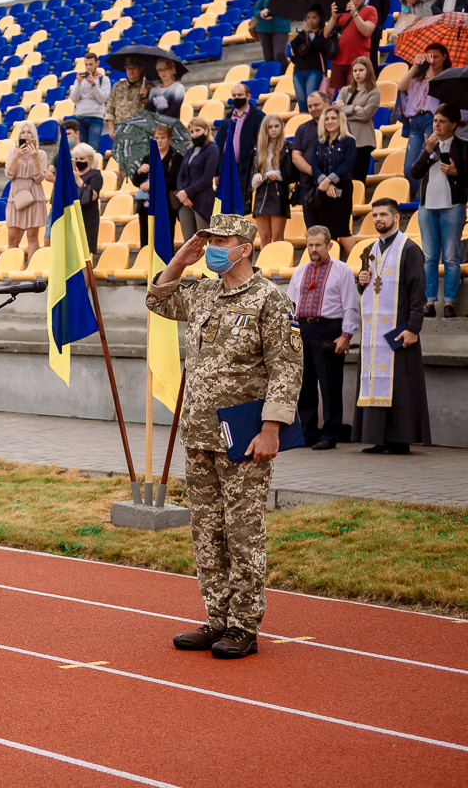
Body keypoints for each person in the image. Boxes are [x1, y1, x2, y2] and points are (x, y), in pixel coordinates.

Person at [146, 213, 303, 659]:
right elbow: (157, 300)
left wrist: (272, 428)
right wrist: (180, 259)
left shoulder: (270, 300)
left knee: (242, 531)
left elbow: (287, 368)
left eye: (221, 240)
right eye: (208, 239)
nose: (212, 246)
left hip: (245, 437)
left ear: (245, 248)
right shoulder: (203, 292)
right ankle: (216, 618)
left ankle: (244, 626)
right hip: (199, 433)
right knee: (206, 531)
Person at [352, 198, 431, 452]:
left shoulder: (409, 249)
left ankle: (399, 441)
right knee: (376, 381)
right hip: (374, 333)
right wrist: (361, 281)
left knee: (400, 386)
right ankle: (379, 438)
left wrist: (414, 328)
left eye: (383, 215)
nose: (378, 219)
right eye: (374, 215)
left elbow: (419, 291)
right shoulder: (371, 250)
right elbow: (367, 290)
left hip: (399, 329)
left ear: (397, 217)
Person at [287, 225, 361, 449]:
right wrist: (290, 334)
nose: (313, 249)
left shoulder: (342, 270)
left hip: (329, 328)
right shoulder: (299, 272)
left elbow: (350, 304)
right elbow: (289, 306)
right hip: (303, 330)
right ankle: (308, 433)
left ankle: (330, 433)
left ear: (329, 245)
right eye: (310, 245)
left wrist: (346, 334)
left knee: (330, 384)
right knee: (305, 384)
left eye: (318, 244)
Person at [410, 103, 468, 317]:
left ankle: (450, 303)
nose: (436, 124)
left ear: (454, 124)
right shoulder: (428, 145)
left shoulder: (463, 146)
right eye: (435, 120)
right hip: (427, 206)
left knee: (451, 256)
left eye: (442, 121)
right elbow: (414, 173)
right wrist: (425, 152)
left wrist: (456, 172)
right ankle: (430, 302)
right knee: (430, 256)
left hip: (453, 207)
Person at [398, 43, 449, 199]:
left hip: (431, 121)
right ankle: (421, 198)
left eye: (436, 56)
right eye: (429, 56)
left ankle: (425, 199)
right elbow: (401, 86)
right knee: (408, 169)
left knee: (427, 162)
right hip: (415, 122)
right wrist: (415, 66)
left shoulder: (446, 76)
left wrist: (430, 69)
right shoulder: (417, 76)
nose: (432, 60)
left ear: (444, 57)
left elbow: (436, 84)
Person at [314, 106, 358, 256]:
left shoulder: (349, 141)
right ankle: (330, 269)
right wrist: (325, 183)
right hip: (324, 192)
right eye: (326, 119)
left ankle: (359, 266)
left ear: (340, 120)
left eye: (333, 118)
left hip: (342, 189)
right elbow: (314, 166)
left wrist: (329, 181)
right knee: (327, 232)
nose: (330, 121)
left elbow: (348, 164)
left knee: (343, 230)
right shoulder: (319, 142)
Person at [215, 84, 266, 211]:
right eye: (234, 96)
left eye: (240, 95)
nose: (236, 98)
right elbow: (220, 144)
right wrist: (217, 172)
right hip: (227, 170)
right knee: (228, 207)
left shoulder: (258, 116)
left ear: (248, 96)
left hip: (246, 169)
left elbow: (262, 143)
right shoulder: (227, 118)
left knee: (243, 207)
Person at [334, 56, 381, 183]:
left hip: (362, 141)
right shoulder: (345, 90)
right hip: (343, 139)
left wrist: (344, 109)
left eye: (361, 70)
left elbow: (365, 115)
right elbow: (334, 112)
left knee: (357, 179)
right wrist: (354, 108)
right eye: (355, 71)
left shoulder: (374, 92)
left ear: (368, 71)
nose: (357, 73)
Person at [5, 122, 49, 255]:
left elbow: (39, 178)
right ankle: (11, 269)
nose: (25, 134)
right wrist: (17, 156)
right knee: (12, 237)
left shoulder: (41, 154)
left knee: (32, 237)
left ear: (34, 135)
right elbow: (9, 174)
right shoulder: (12, 151)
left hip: (34, 195)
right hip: (16, 195)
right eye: (23, 132)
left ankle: (32, 269)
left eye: (29, 132)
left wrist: (35, 158)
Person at [136, 125, 182, 249]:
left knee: (164, 241)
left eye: (163, 137)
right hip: (146, 205)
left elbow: (173, 181)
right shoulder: (148, 157)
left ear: (169, 139)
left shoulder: (176, 157)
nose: (159, 140)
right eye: (156, 138)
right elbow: (137, 183)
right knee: (146, 241)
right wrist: (139, 171)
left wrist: (152, 185)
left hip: (165, 204)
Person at [250, 114, 293, 245]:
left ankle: (278, 262)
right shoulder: (258, 148)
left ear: (282, 127)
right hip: (261, 193)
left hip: (279, 193)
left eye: (276, 126)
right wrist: (257, 176)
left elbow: (290, 174)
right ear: (265, 129)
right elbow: (251, 177)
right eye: (270, 127)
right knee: (264, 237)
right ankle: (264, 264)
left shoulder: (288, 147)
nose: (273, 129)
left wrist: (275, 174)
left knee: (277, 237)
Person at [325, 0, 378, 93]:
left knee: (358, 92)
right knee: (342, 93)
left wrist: (354, 14)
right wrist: (333, 17)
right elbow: (326, 34)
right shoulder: (341, 10)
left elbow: (367, 31)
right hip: (338, 59)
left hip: (358, 60)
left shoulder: (370, 10)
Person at [177, 118, 221, 241]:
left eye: (198, 130)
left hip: (203, 200)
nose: (195, 134)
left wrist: (187, 192)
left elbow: (207, 177)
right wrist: (181, 193)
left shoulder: (212, 148)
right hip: (185, 201)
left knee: (202, 240)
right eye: (192, 131)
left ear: (206, 130)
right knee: (188, 241)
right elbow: (181, 174)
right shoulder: (190, 150)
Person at [291, 91, 331, 229]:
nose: (313, 109)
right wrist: (315, 173)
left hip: (331, 186)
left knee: (332, 232)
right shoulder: (302, 129)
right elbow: (295, 156)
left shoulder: (337, 127)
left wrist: (326, 178)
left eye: (316, 105)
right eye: (310, 106)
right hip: (308, 188)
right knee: (313, 231)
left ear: (327, 103)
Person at [69, 53, 111, 150]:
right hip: (81, 116)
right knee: (82, 149)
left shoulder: (104, 79)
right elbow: (74, 99)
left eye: (91, 64)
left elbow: (103, 99)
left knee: (93, 147)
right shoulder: (80, 80)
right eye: (86, 64)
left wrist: (93, 84)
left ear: (97, 63)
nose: (88, 67)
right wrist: (79, 83)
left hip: (95, 116)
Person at [290, 7, 330, 105]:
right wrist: (304, 34)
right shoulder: (301, 35)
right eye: (308, 17)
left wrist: (307, 34)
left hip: (315, 70)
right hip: (299, 70)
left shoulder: (323, 34)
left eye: (314, 18)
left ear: (320, 19)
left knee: (313, 102)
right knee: (302, 103)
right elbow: (295, 52)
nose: (310, 20)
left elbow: (317, 46)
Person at [72, 144, 105, 253]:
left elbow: (93, 195)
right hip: (73, 215)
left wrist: (78, 180)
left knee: (85, 251)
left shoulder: (95, 175)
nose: (78, 161)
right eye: (76, 159)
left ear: (90, 159)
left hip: (88, 217)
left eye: (82, 158)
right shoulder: (71, 175)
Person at [105, 58, 147, 136]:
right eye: (128, 68)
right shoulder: (118, 86)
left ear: (140, 69)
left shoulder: (148, 86)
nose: (131, 71)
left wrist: (145, 97)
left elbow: (154, 110)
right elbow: (110, 108)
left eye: (134, 68)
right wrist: (111, 129)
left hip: (140, 132)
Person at [253, 0, 292, 70]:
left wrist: (268, 10)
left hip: (280, 27)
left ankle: (287, 74)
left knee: (279, 54)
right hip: (263, 28)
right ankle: (273, 77)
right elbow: (257, 9)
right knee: (268, 57)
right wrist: (261, 14)